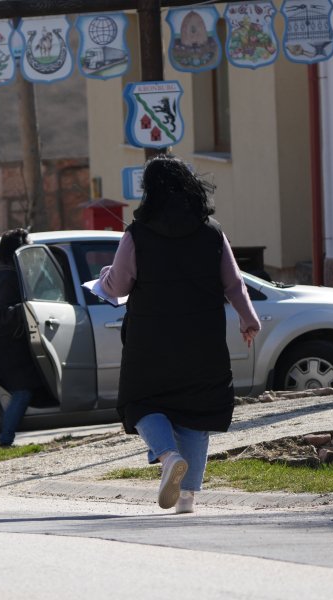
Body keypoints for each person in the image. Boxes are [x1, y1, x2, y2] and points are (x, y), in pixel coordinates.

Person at [99, 154, 261, 514]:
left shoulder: (137, 234)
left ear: (151, 191)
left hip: (151, 336)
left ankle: (168, 455)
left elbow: (119, 284)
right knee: (196, 407)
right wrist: (248, 319)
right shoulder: (211, 231)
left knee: (140, 401)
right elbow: (234, 282)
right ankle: (187, 498)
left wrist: (105, 279)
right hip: (202, 336)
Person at [0, 228, 40, 448]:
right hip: (6, 342)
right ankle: (5, 440)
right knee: (22, 391)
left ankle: (6, 438)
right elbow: (4, 313)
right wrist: (28, 307)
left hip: (8, 341)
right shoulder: (7, 277)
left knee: (23, 389)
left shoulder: (7, 272)